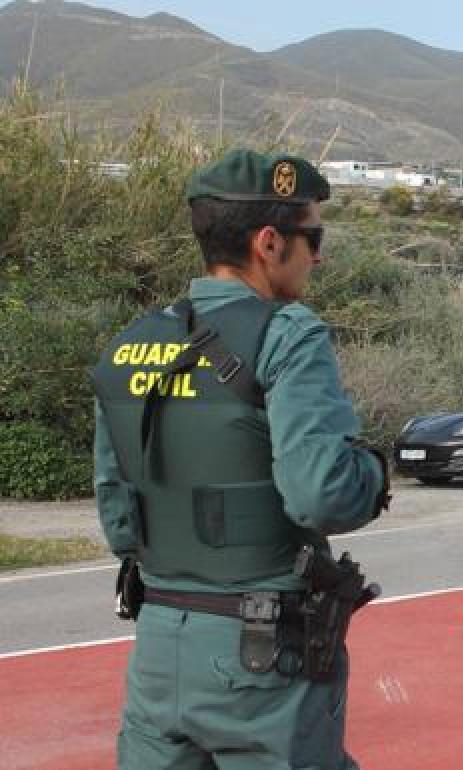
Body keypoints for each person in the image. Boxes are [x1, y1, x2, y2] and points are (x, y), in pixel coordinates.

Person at [91, 148, 390, 769]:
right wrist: (372, 472)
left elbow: (120, 517)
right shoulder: (287, 334)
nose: (318, 253)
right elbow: (322, 494)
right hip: (262, 659)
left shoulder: (127, 346)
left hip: (158, 648)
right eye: (312, 236)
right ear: (268, 243)